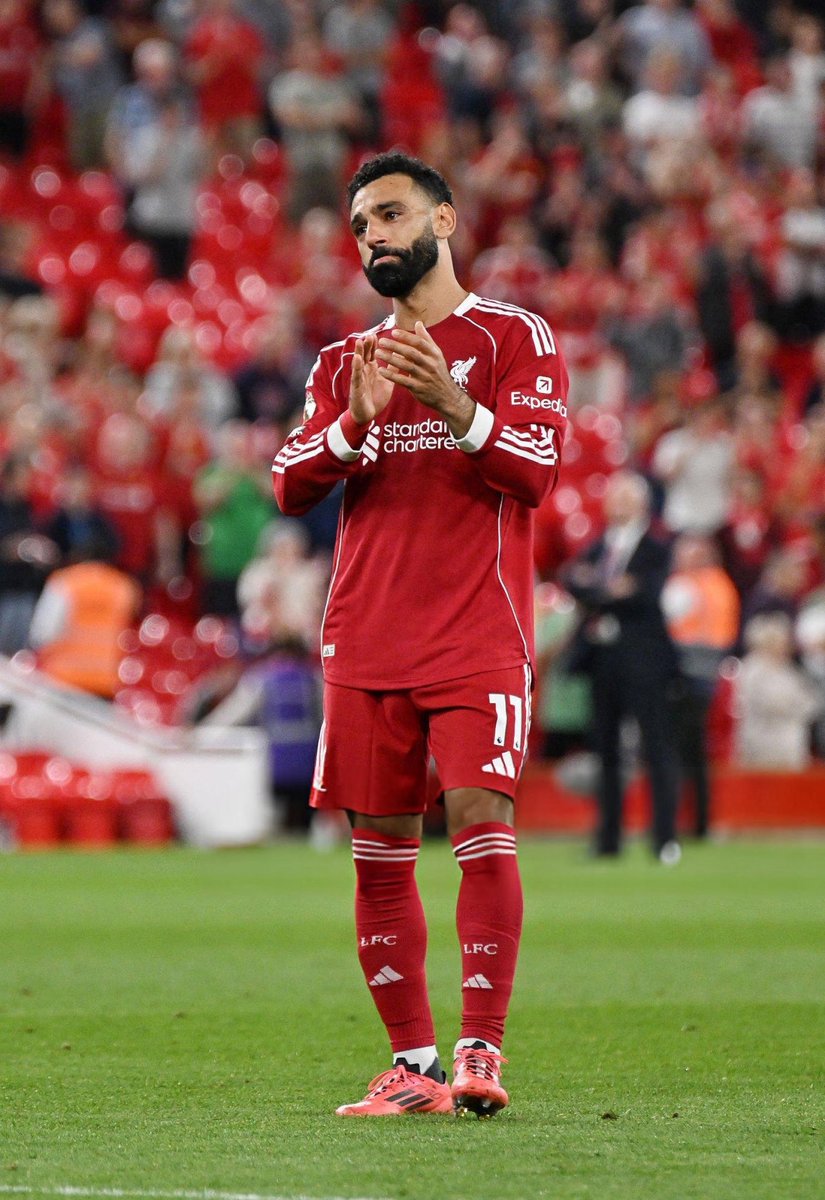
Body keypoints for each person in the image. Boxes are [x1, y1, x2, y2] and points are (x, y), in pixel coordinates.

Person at [273, 151, 568, 1118]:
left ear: (444, 221)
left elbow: (532, 472)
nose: (374, 237)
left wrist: (451, 401)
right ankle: (415, 1068)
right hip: (364, 637)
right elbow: (288, 482)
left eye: (391, 216)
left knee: (481, 825)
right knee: (380, 852)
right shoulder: (340, 364)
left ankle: (482, 1052)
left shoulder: (514, 337)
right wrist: (354, 430)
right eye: (362, 226)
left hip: (477, 633)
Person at [561, 471, 681, 862]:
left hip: (645, 659)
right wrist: (609, 589)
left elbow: (644, 594)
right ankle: (608, 839)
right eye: (614, 497)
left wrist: (596, 589)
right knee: (606, 750)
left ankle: (664, 838)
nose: (619, 504)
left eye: (626, 497)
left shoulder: (656, 549)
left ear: (643, 503)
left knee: (656, 746)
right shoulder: (598, 547)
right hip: (604, 660)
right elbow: (571, 581)